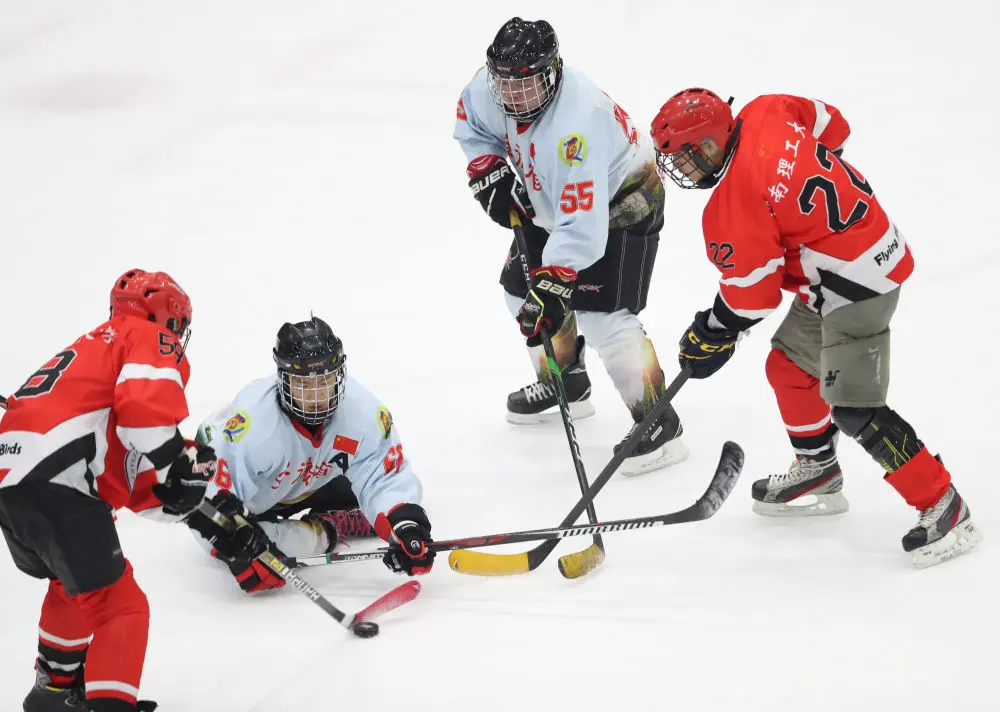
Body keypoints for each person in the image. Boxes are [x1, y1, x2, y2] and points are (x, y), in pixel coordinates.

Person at [649, 88, 982, 568]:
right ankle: (818, 470)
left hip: (855, 285)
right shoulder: (769, 109)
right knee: (787, 368)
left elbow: (753, 296)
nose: (681, 170)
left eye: (683, 157)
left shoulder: (733, 203)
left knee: (852, 407)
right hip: (863, 248)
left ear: (707, 145)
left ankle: (945, 506)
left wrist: (712, 329)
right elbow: (833, 126)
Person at [453, 16, 687, 476]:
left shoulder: (579, 124)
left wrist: (556, 282)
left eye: (525, 87)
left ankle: (660, 423)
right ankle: (566, 381)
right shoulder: (492, 86)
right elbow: (473, 123)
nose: (513, 98)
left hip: (624, 199)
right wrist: (488, 170)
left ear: (552, 73)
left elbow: (583, 228)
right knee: (519, 292)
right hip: (554, 199)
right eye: (504, 85)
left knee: (603, 317)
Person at [0, 269, 216, 711]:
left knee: (74, 585)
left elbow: (126, 472)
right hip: (57, 480)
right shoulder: (147, 338)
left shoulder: (89, 352)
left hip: (12, 483)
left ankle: (53, 692)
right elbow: (143, 411)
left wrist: (175, 493)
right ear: (171, 321)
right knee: (122, 608)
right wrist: (178, 460)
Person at [186, 315, 434, 594]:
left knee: (368, 499)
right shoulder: (253, 429)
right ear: (283, 379)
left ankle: (329, 516)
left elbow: (383, 473)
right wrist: (238, 546)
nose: (316, 395)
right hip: (250, 493)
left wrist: (405, 524)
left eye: (325, 380)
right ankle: (328, 529)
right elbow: (205, 499)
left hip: (302, 477)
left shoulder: (361, 411)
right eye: (303, 384)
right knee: (263, 546)